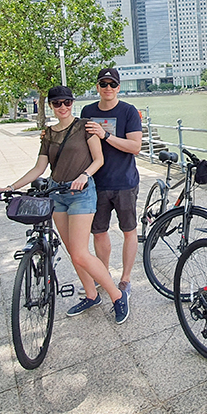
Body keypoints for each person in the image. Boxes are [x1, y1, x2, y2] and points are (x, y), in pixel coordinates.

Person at [0, 86, 129, 323]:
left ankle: (117, 295)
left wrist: (84, 175)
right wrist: (11, 187)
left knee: (80, 253)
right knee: (72, 252)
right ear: (49, 105)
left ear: (72, 103)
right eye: (57, 103)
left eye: (67, 102)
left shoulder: (84, 126)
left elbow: (98, 159)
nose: (63, 107)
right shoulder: (48, 134)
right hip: (57, 194)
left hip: (81, 193)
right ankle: (91, 295)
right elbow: (39, 168)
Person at [81, 68, 142, 297]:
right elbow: (77, 140)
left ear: (118, 87)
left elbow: (135, 147)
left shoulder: (128, 111)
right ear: (97, 87)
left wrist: (105, 135)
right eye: (103, 84)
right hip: (97, 183)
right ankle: (102, 274)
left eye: (112, 84)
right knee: (99, 232)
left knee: (129, 230)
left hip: (125, 181)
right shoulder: (87, 111)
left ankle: (125, 279)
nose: (108, 88)